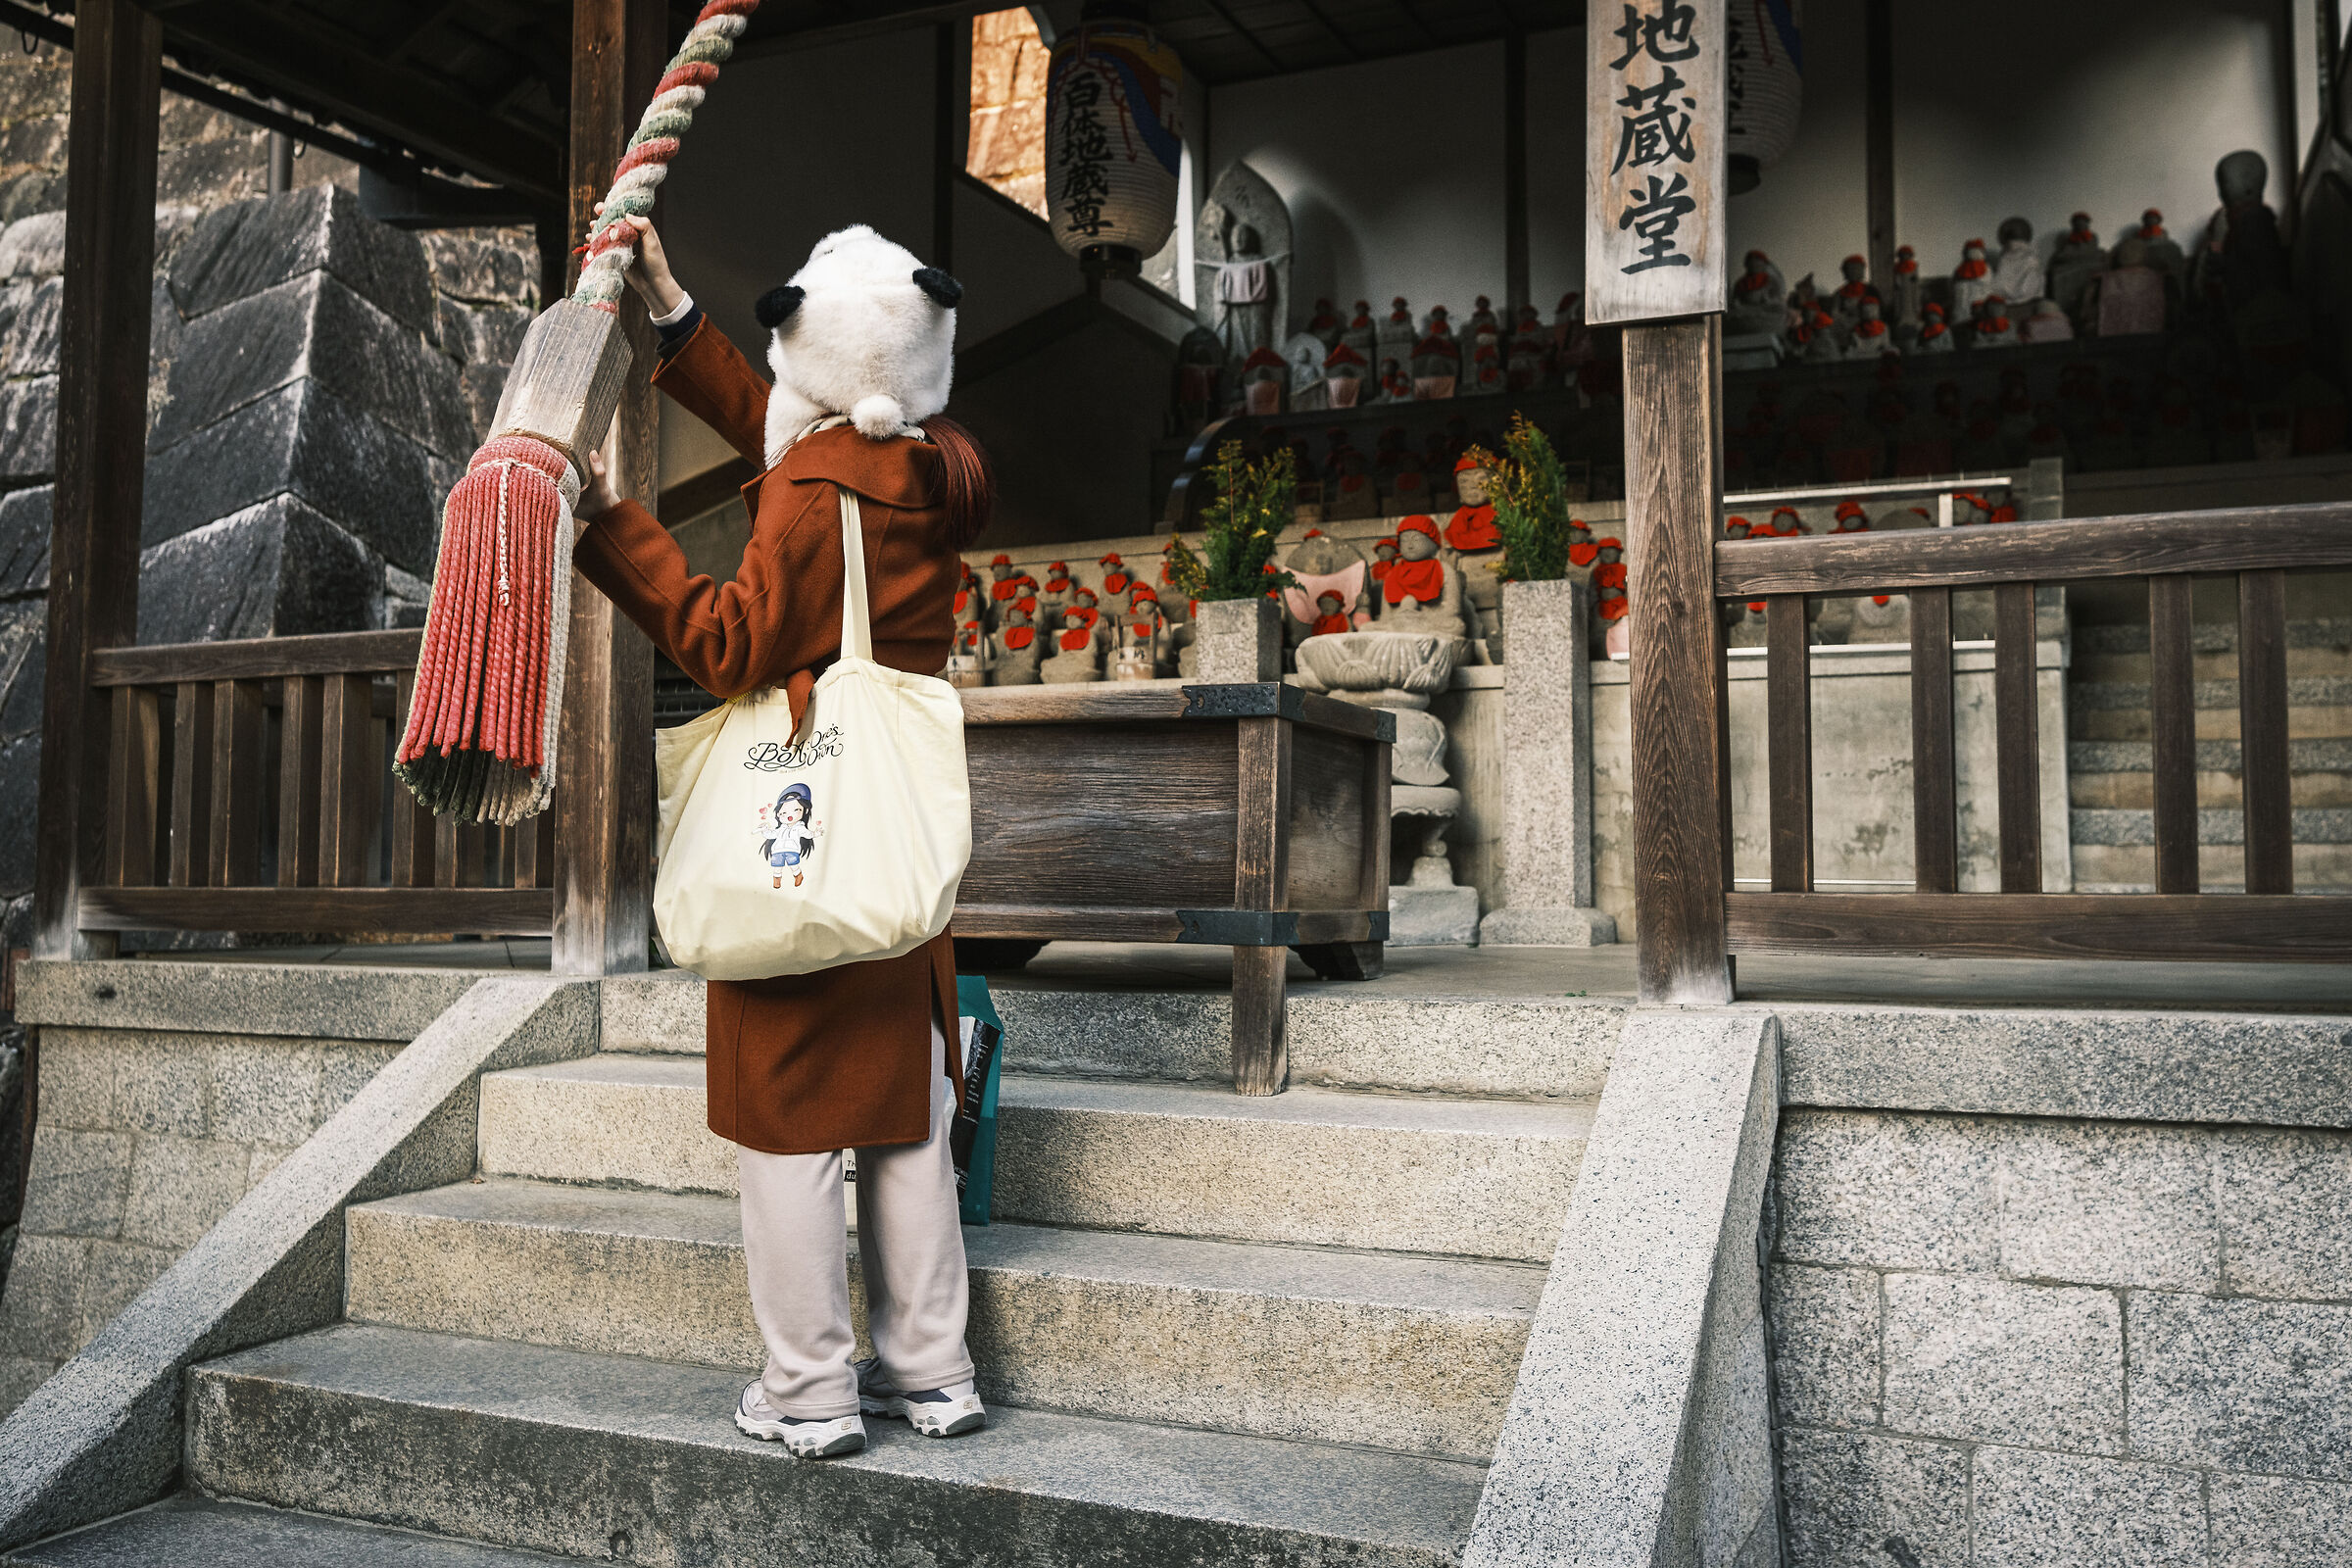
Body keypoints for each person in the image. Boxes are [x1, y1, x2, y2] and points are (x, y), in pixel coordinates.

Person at [570, 208, 992, 1460]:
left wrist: (613, 524)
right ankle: (934, 1373)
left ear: (812, 344)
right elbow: (792, 409)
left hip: (798, 842)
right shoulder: (927, 465)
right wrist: (675, 312)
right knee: (907, 1118)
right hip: (892, 850)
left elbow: (727, 642)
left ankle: (808, 1390)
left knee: (791, 1135)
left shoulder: (811, 493)